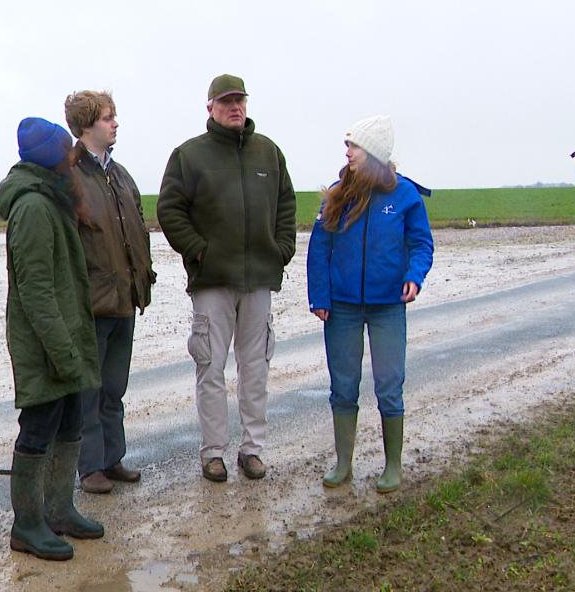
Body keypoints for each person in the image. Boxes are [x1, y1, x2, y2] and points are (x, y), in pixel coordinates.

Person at [157, 74, 297, 482]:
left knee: (256, 368)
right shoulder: (189, 156)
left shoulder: (268, 153)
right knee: (210, 367)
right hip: (213, 282)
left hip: (258, 282)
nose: (235, 107)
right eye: (226, 101)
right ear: (210, 108)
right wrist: (199, 250)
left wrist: (282, 248)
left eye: (240, 100)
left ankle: (252, 450)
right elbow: (170, 210)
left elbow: (286, 205)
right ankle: (213, 452)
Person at [0, 117, 104, 560]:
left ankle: (60, 511)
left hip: (66, 338)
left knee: (70, 422)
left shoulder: (53, 198)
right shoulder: (34, 208)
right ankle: (28, 524)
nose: (74, 158)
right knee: (38, 429)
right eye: (67, 152)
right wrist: (62, 353)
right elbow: (36, 292)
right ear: (51, 158)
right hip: (45, 345)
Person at [306, 115, 434, 493]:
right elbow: (319, 249)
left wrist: (414, 275)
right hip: (342, 308)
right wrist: (320, 296)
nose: (347, 153)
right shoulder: (338, 193)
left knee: (389, 385)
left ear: (375, 153)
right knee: (343, 386)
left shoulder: (405, 196)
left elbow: (421, 244)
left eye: (354, 147)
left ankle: (392, 466)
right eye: (347, 147)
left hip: (388, 306)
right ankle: (343, 463)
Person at [64, 90, 155, 494]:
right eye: (107, 118)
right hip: (91, 303)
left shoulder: (120, 176)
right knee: (90, 389)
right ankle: (90, 467)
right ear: (86, 126)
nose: (115, 123)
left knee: (115, 386)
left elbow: (135, 231)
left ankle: (112, 458)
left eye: (114, 117)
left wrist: (143, 278)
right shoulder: (69, 177)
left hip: (124, 299)